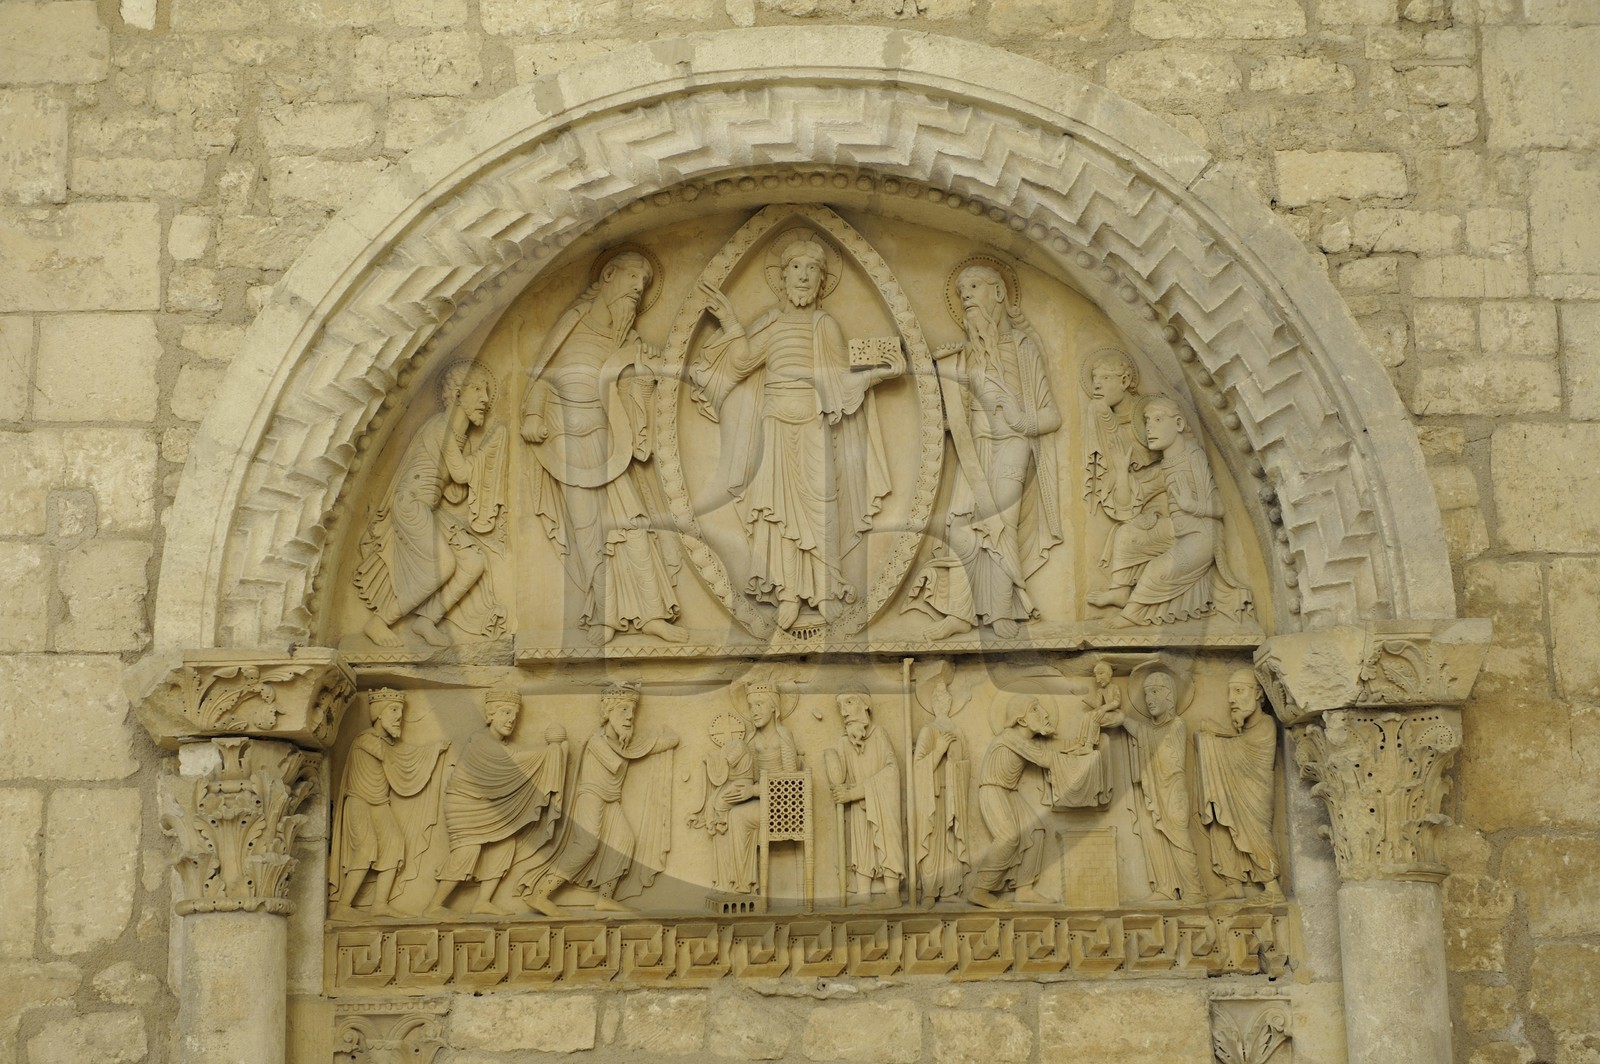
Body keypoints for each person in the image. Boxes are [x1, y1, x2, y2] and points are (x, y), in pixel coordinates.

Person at [692, 231, 903, 631]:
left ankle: (823, 591)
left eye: (812, 270)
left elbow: (842, 378)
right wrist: (731, 323)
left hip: (813, 421)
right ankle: (788, 594)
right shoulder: (771, 323)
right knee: (777, 511)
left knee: (822, 504)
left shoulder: (824, 324)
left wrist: (883, 373)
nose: (804, 277)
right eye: (795, 269)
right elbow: (740, 364)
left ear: (822, 282)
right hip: (774, 423)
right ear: (783, 277)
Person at [520, 249, 686, 646]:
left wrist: (649, 376)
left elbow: (640, 380)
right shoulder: (573, 323)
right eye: (632, 278)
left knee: (632, 526)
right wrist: (532, 415)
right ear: (608, 274)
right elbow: (541, 378)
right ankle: (604, 615)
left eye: (644, 284)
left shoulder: (626, 340)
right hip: (564, 444)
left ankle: (651, 615)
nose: (638, 289)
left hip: (607, 443)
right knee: (586, 531)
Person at [909, 262, 1062, 640]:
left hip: (1013, 444)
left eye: (974, 287)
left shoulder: (1023, 348)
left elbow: (1050, 415)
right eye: (962, 293)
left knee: (1000, 522)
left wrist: (1021, 421)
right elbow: (951, 416)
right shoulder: (964, 356)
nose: (966, 298)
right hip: (975, 448)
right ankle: (960, 614)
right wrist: (943, 375)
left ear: (998, 293)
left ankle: (1000, 610)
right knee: (960, 529)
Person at [355, 360, 508, 647]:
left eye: (486, 391)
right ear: (457, 393)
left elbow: (451, 488)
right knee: (443, 565)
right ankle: (379, 621)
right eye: (477, 389)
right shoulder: (443, 426)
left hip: (428, 505)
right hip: (412, 505)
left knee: (473, 562)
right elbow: (462, 473)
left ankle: (427, 620)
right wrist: (489, 450)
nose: (485, 399)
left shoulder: (456, 434)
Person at [1094, 395, 1251, 627]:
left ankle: (1132, 614)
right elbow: (1127, 507)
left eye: (1158, 420)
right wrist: (1120, 471)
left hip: (1201, 536)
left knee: (1158, 570)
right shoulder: (1165, 466)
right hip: (1176, 531)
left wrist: (1191, 506)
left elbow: (1218, 507)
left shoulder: (1193, 455)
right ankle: (1120, 591)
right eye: (1147, 421)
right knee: (1127, 534)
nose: (1150, 428)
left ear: (1178, 424)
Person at [528, 685, 677, 916]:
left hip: (611, 800)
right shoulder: (597, 742)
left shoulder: (625, 743)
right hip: (591, 797)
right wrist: (639, 743)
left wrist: (664, 740)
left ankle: (605, 898)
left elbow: (662, 743)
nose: (630, 716)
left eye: (633, 712)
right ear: (608, 713)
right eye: (624, 710)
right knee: (587, 846)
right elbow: (617, 761)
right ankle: (541, 894)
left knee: (624, 840)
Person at [427, 690, 567, 916]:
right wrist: (550, 753)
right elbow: (513, 763)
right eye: (506, 712)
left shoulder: (503, 748)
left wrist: (556, 752)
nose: (512, 718)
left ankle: (483, 902)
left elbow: (517, 760)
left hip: (487, 805)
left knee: (505, 844)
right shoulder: (481, 741)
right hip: (465, 804)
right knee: (467, 851)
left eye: (515, 714)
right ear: (490, 714)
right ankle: (433, 905)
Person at [329, 690, 447, 918]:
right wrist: (431, 750)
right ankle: (343, 907)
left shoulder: (384, 744)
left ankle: (379, 904)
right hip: (359, 802)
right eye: (393, 710)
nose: (398, 717)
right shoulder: (366, 740)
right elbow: (399, 758)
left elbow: (398, 756)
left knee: (394, 845)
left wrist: (432, 751)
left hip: (379, 804)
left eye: (400, 712)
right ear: (378, 714)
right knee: (365, 848)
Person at [1101, 663, 1205, 902]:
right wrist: (1122, 719)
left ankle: (1195, 891)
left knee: (1179, 837)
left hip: (1173, 791)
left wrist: (1125, 722)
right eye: (1146, 693)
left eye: (1155, 692)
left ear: (1169, 695)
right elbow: (1146, 733)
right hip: (1156, 790)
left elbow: (1162, 748)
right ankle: (1165, 887)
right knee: (1152, 833)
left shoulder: (1177, 725)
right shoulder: (1151, 728)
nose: (1149, 699)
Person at [1195, 670, 1284, 900]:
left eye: (1239, 691)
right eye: (1229, 692)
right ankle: (1233, 881)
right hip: (1234, 787)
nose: (1231, 699)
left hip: (1254, 795)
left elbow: (1242, 750)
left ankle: (1272, 886)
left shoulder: (1266, 725)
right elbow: (1235, 742)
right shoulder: (1242, 731)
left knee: (1255, 830)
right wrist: (1211, 738)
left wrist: (1216, 737)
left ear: (1257, 694)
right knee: (1220, 810)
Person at [968, 694, 1059, 908]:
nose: (1043, 713)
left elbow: (1049, 752)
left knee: (1035, 831)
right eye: (1035, 709)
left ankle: (1024, 889)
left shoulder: (1025, 741)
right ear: (1021, 720)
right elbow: (1045, 759)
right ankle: (979, 890)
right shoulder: (1010, 737)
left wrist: (1078, 746)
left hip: (1010, 792)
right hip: (993, 791)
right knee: (1008, 837)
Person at [826, 686, 905, 908]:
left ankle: (892, 894)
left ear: (866, 704)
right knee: (861, 840)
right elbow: (837, 775)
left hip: (882, 802)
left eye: (849, 703)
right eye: (840, 706)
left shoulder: (879, 734)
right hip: (860, 805)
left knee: (887, 838)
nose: (844, 712)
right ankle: (863, 891)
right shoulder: (843, 743)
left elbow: (891, 772)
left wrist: (856, 792)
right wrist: (830, 758)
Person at [912, 671, 971, 904]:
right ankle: (928, 890)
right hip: (932, 796)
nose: (942, 703)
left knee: (951, 840)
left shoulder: (958, 732)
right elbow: (918, 766)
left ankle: (949, 890)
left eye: (946, 700)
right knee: (932, 838)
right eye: (938, 700)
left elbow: (966, 764)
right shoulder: (928, 730)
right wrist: (939, 751)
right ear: (932, 704)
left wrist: (957, 763)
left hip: (953, 793)